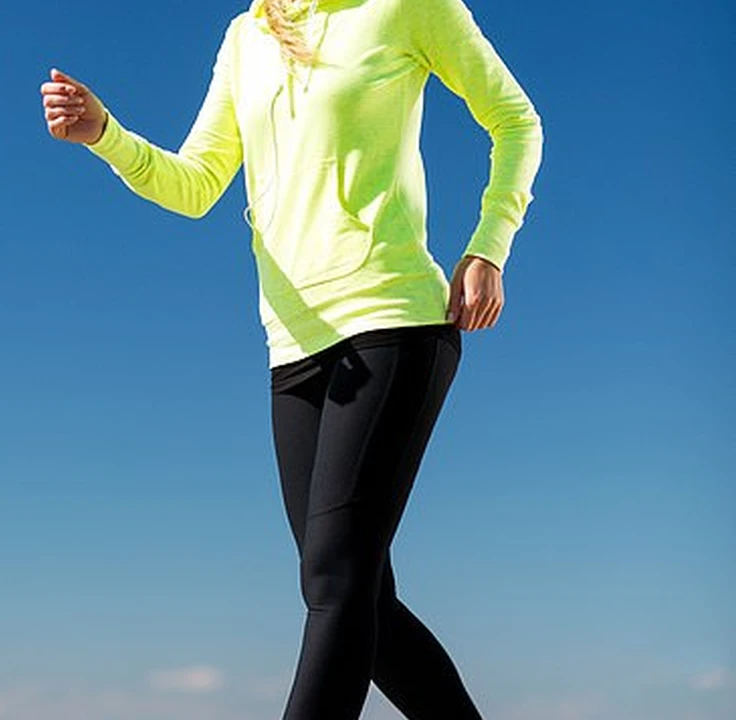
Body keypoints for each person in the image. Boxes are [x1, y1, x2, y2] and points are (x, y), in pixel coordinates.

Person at [40, 0, 543, 717]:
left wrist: (489, 246)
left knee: (336, 580)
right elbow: (196, 185)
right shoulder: (246, 37)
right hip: (294, 349)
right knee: (356, 595)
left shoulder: (408, 8)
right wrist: (105, 134)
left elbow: (516, 121)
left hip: (391, 320)